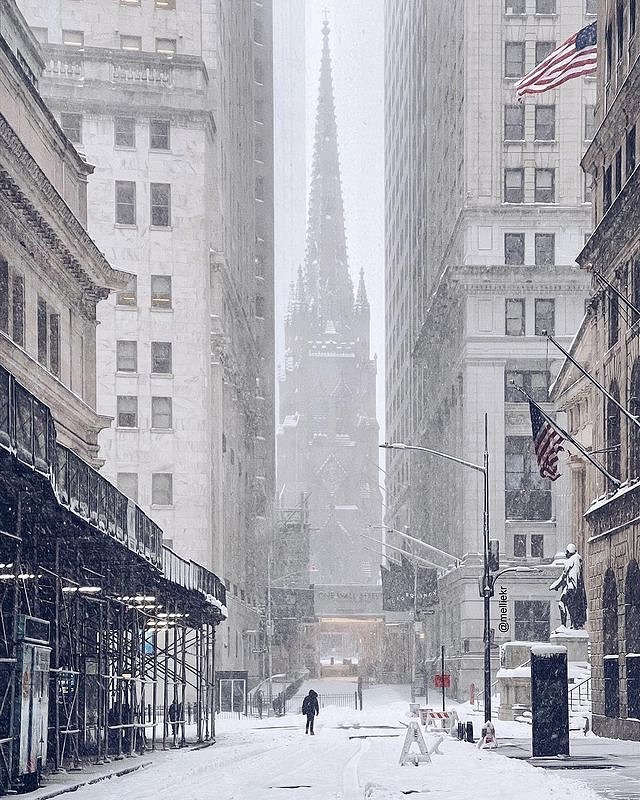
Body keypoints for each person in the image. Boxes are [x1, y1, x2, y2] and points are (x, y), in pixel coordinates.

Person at [549, 543, 587, 629]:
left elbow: (564, 576)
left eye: (566, 552)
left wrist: (555, 586)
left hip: (570, 588)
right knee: (572, 607)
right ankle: (574, 625)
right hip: (576, 589)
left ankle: (563, 625)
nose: (565, 554)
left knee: (561, 603)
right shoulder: (577, 560)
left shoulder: (570, 561)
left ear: (569, 552)